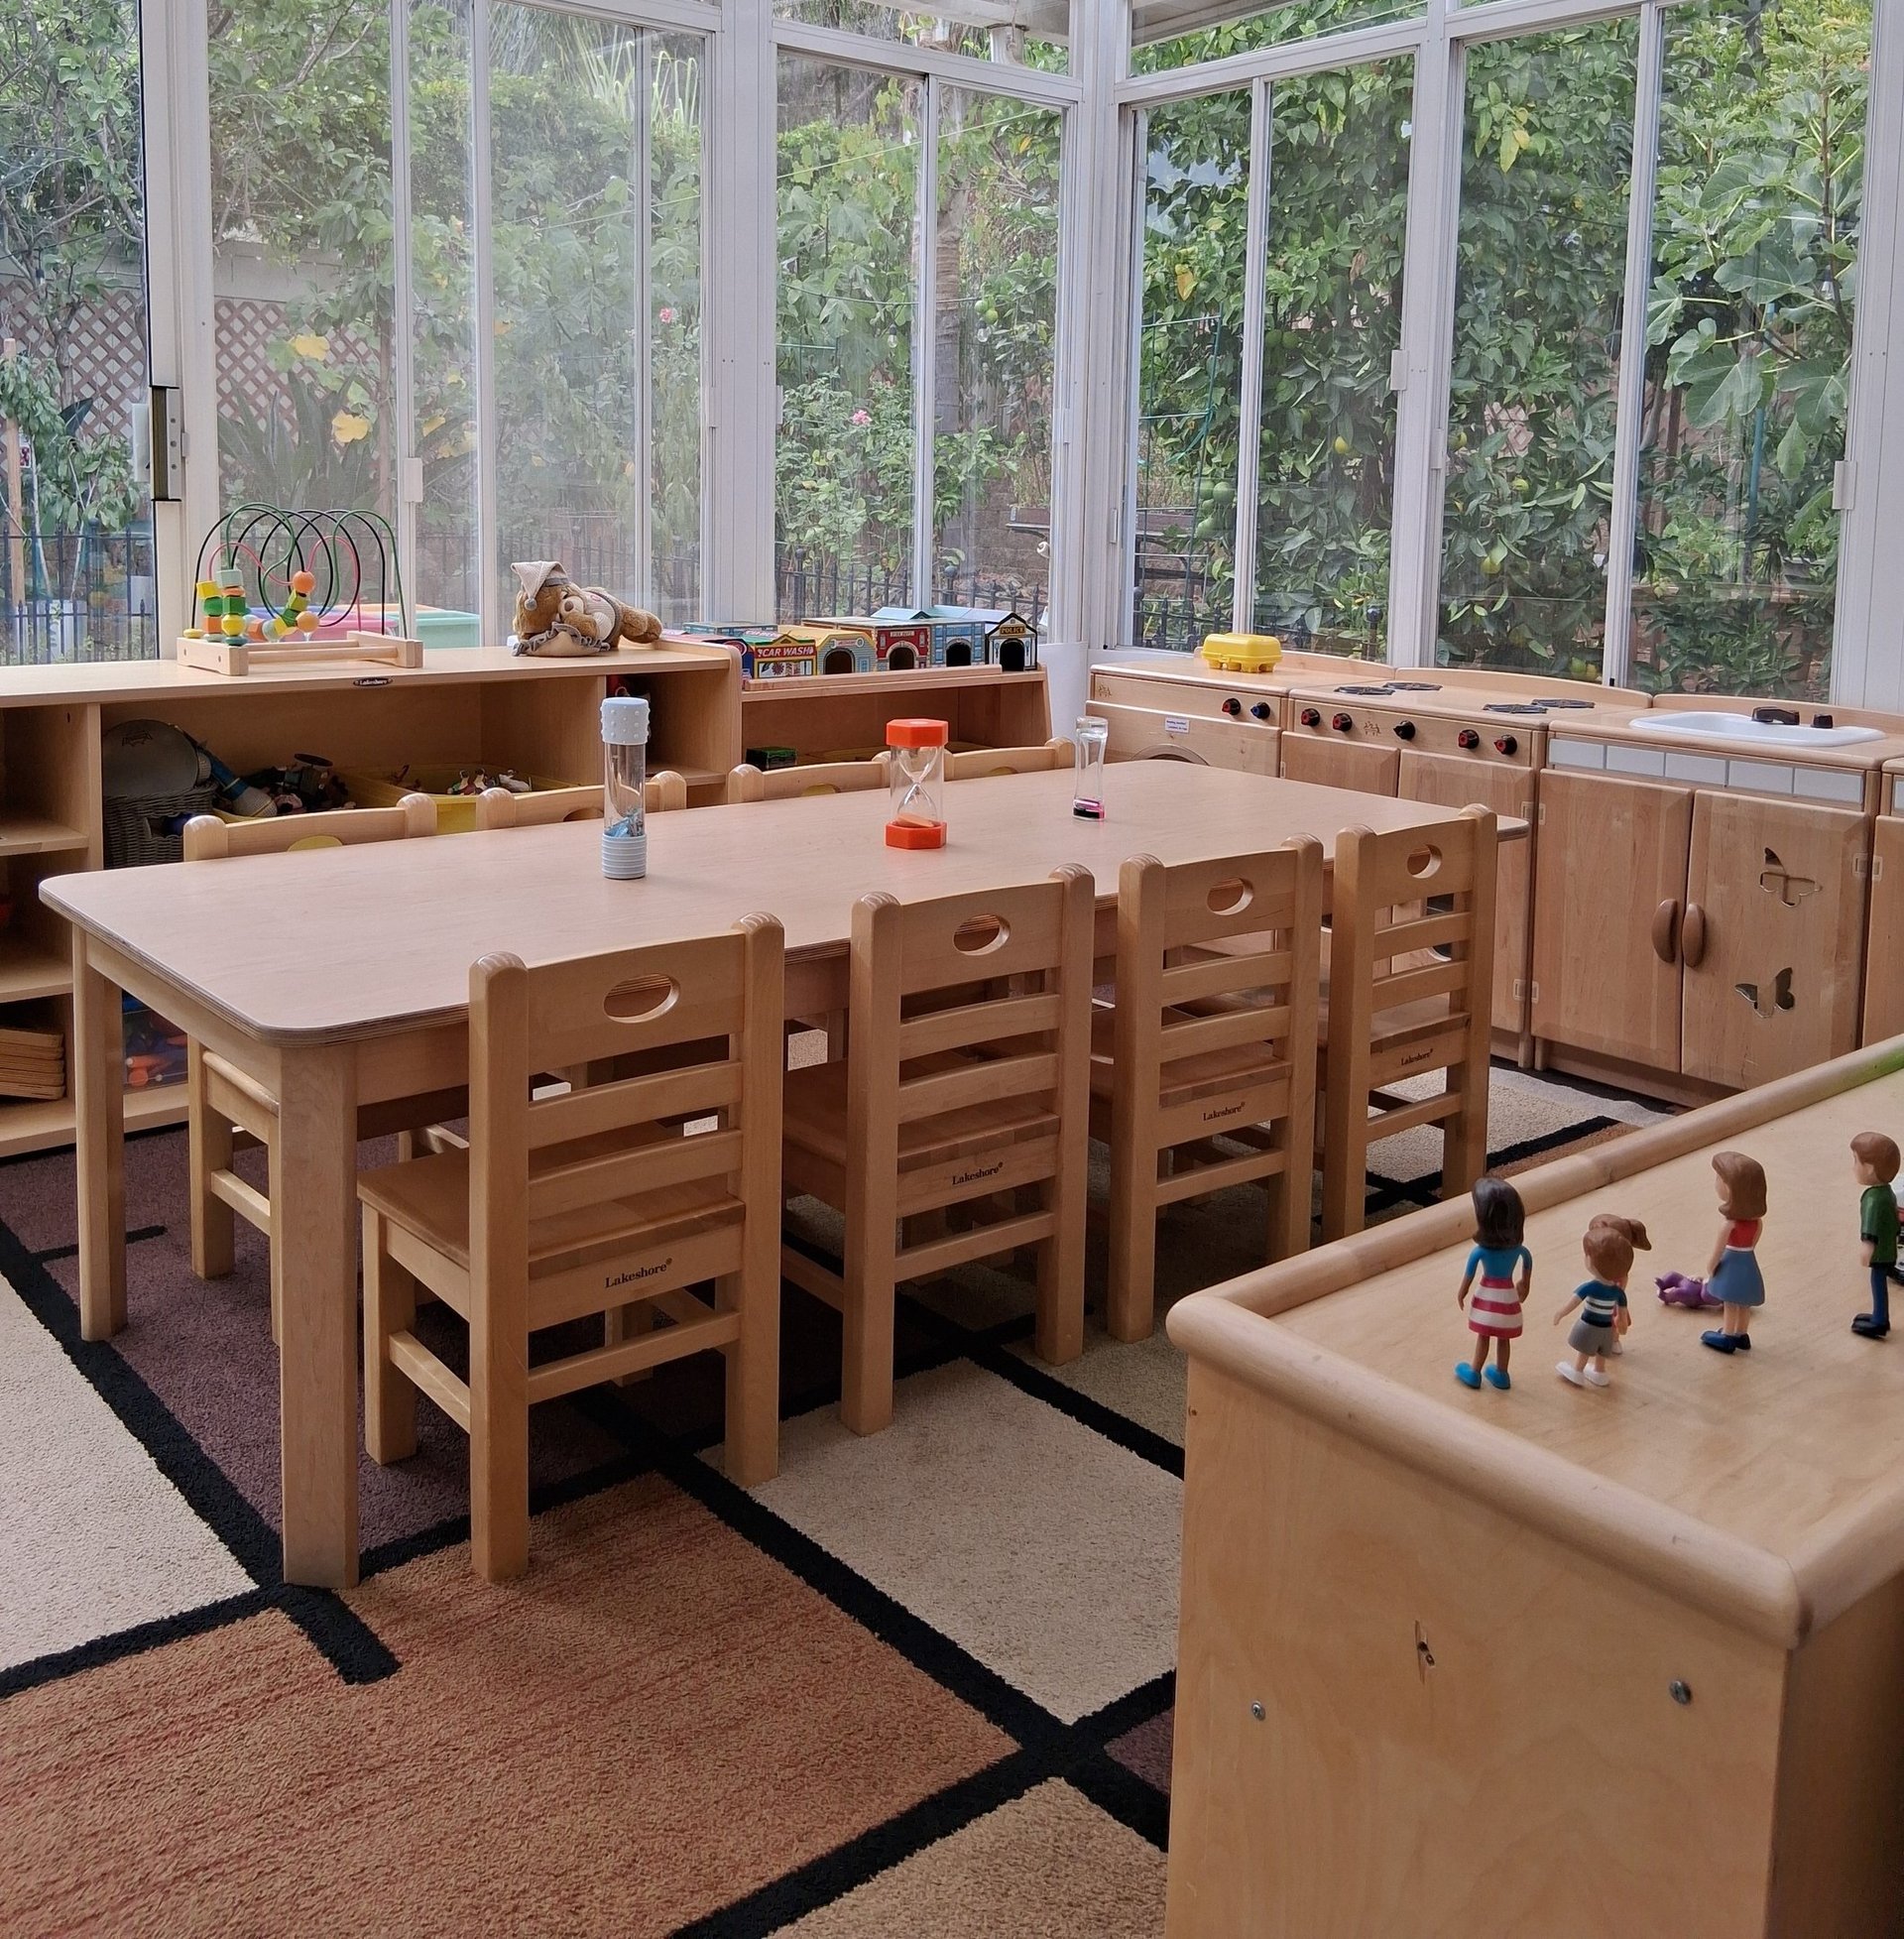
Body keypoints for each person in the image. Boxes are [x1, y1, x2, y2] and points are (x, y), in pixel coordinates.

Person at [1455, 1177, 1532, 1391]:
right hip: (1508, 1298)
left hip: (1487, 1298)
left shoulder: (1480, 1252)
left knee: (1484, 1335)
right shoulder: (1519, 1251)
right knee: (1503, 1338)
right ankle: (1502, 1373)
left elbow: (1468, 1276)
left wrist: (1461, 1293)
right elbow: (1527, 1268)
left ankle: (1474, 1372)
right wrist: (1525, 1286)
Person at [1554, 1214, 1649, 1389]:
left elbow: (1573, 1302)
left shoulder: (1590, 1287)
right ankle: (1599, 1372)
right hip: (1607, 1330)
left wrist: (1561, 1313)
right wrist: (1621, 1323)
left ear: (1591, 1260)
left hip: (1589, 1326)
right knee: (1601, 1353)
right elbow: (1621, 1311)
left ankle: (1577, 1371)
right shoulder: (1618, 1292)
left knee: (1585, 1351)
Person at [1701, 1151, 1768, 1355]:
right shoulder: (1757, 1222)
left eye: (1719, 1179)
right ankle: (1742, 1334)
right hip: (1748, 1262)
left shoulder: (1729, 1225)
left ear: (1730, 1187)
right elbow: (1754, 1242)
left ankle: (1728, 1335)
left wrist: (1711, 1266)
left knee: (1730, 1302)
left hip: (1731, 1264)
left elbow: (1718, 1250)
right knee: (1744, 1302)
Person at [1850, 1132, 1902, 1341]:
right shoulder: (1886, 1193)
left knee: (1878, 1282)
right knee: (1878, 1282)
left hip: (1880, 1252)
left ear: (1870, 1168)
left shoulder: (1874, 1199)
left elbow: (1871, 1226)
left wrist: (1867, 1247)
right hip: (1888, 1248)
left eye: (1856, 1162)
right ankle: (1879, 1316)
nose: (1853, 1167)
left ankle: (1879, 1320)